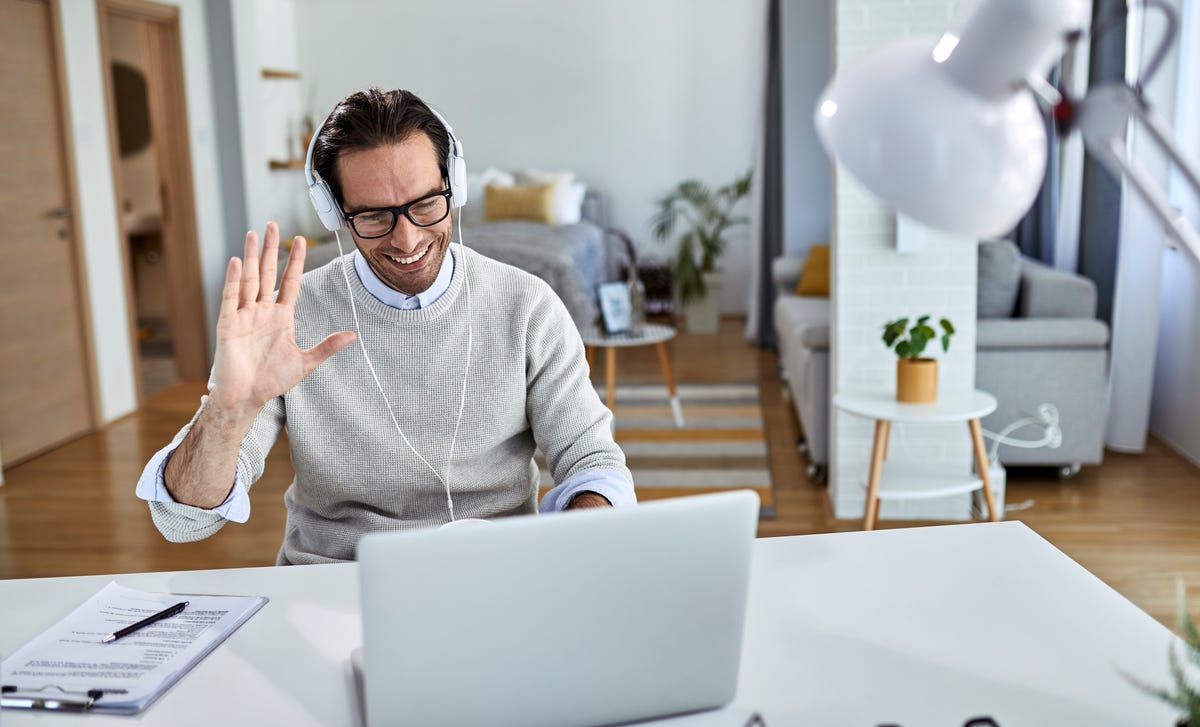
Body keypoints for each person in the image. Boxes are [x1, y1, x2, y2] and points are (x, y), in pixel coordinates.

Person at [136, 88, 635, 564]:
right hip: (332, 580)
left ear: (453, 186)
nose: (407, 237)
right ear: (336, 214)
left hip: (494, 577)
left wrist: (569, 549)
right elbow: (183, 522)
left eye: (424, 203)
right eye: (374, 216)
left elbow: (595, 464)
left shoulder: (527, 305)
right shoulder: (292, 317)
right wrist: (229, 409)